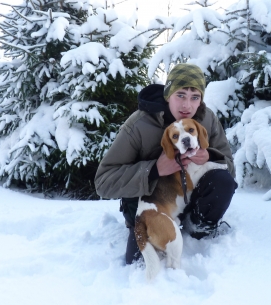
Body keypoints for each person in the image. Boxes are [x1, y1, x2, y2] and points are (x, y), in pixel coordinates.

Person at [95, 63, 237, 265]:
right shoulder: (139, 125)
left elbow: (230, 167)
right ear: (168, 94)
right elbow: (103, 182)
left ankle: (197, 226)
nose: (187, 105)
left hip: (186, 201)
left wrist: (210, 157)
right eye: (181, 95)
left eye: (194, 97)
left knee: (223, 181)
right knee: (136, 262)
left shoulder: (207, 120)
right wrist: (153, 170)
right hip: (146, 208)